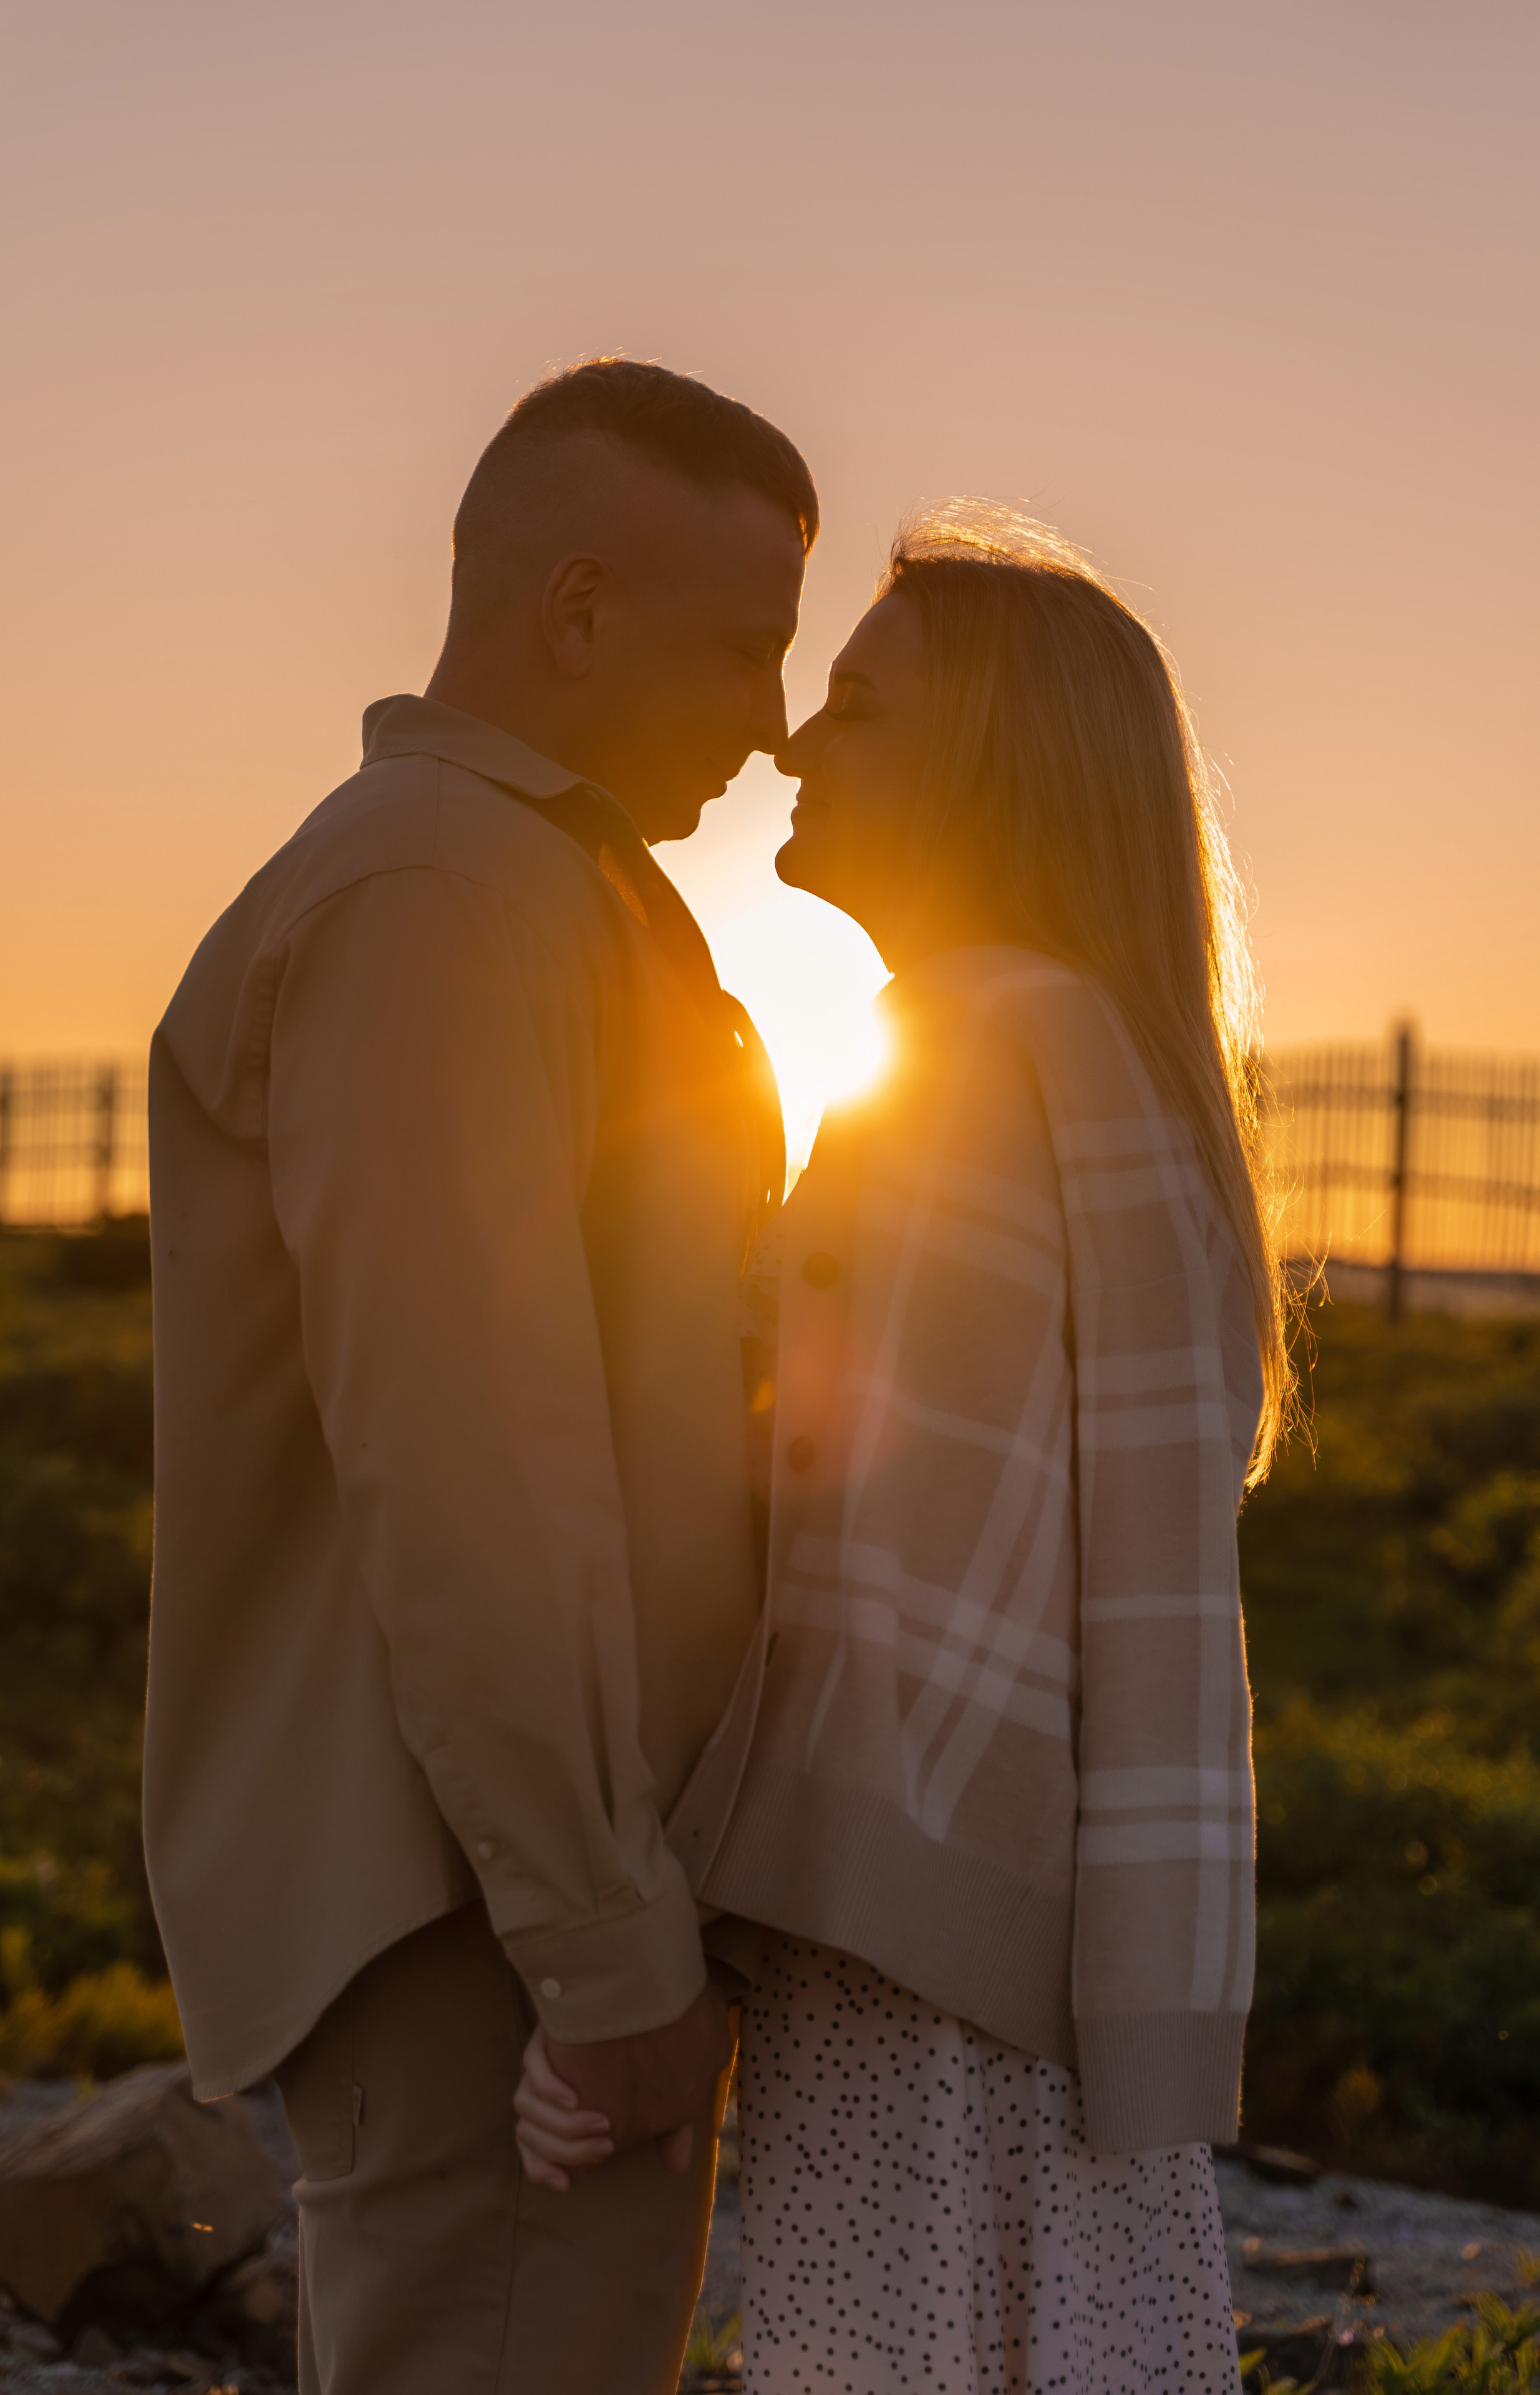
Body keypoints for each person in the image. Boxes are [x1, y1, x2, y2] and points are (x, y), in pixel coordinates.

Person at [515, 504, 1293, 2393]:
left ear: (983, 767)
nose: (793, 740)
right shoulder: (1115, 1068)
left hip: (905, 1984)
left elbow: (865, 1575)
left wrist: (653, 1968)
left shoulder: (948, 1071)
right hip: (1068, 1975)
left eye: (860, 707)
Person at [143, 357, 817, 2394]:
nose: (778, 722)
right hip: (489, 1916)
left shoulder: (528, 887)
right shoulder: (442, 897)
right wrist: (604, 1954)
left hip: (535, 1880)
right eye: (743, 645)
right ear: (580, 613)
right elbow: (473, 1469)